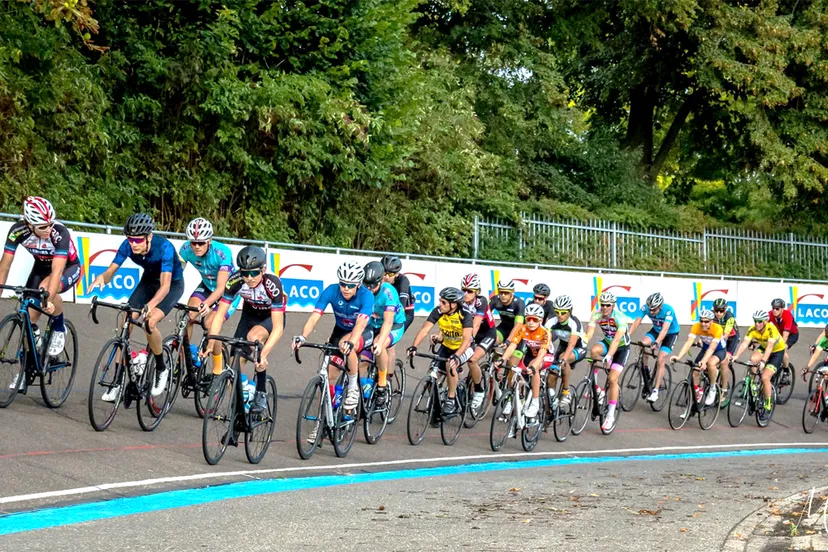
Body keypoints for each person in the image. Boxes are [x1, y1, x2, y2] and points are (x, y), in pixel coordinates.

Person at [89, 213, 184, 400]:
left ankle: (161, 368)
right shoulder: (128, 246)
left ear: (149, 237)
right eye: (130, 239)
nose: (133, 244)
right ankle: (117, 382)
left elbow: (164, 288)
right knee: (127, 321)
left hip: (171, 285)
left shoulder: (164, 247)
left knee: (150, 321)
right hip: (148, 282)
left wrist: (150, 305)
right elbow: (111, 271)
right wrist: (103, 277)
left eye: (138, 240)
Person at [202, 245, 285, 413]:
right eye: (245, 273)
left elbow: (278, 328)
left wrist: (264, 354)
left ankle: (261, 390)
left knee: (254, 337)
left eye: (254, 273)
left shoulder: (272, 284)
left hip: (270, 318)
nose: (249, 278)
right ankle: (237, 415)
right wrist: (211, 343)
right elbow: (219, 315)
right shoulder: (235, 280)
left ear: (263, 270)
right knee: (234, 370)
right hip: (249, 316)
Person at [0, 197, 81, 361]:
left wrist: (48, 301)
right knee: (28, 319)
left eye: (51, 223)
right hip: (40, 267)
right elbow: (5, 266)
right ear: (29, 224)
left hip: (68, 267)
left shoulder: (59, 233)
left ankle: (58, 328)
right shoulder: (18, 231)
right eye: (43, 226)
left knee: (45, 290)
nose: (49, 229)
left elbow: (57, 270)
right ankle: (28, 368)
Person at [293, 262, 374, 411]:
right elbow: (314, 317)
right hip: (340, 330)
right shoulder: (331, 291)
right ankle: (324, 419)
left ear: (359, 284)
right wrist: (302, 336)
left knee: (347, 345)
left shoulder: (366, 296)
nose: (346, 289)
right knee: (329, 375)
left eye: (350, 285)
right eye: (343, 284)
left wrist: (351, 342)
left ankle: (352, 388)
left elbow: (361, 324)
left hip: (362, 332)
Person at [178, 217, 241, 377]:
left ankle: (218, 368)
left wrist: (207, 304)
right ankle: (188, 352)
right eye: (194, 243)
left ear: (210, 240)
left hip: (227, 290)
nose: (197, 247)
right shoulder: (185, 250)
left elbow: (221, 287)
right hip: (206, 286)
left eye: (201, 243)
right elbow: (175, 275)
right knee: (190, 313)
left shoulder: (222, 253)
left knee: (211, 323)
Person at [407, 287, 474, 415]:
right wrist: (414, 346)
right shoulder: (438, 311)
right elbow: (424, 329)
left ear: (453, 304)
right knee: (431, 377)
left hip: (465, 348)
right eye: (440, 301)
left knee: (451, 364)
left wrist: (457, 356)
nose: (440, 304)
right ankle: (438, 405)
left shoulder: (465, 314)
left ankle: (451, 399)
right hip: (447, 346)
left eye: (443, 302)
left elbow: (466, 340)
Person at [583, 291, 631, 432]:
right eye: (602, 305)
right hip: (607, 342)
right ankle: (596, 387)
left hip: (621, 347)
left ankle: (610, 414)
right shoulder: (596, 314)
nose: (604, 308)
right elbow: (590, 333)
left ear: (613, 306)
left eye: (607, 305)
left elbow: (617, 340)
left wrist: (609, 356)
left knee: (612, 379)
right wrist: (583, 340)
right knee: (594, 351)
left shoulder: (620, 318)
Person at [361, 261, 406, 407]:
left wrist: (380, 343)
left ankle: (382, 385)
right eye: (367, 285)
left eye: (373, 285)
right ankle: (363, 387)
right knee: (362, 357)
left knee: (379, 345)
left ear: (381, 281)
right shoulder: (362, 289)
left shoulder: (389, 292)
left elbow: (388, 322)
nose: (370, 289)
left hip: (394, 324)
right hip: (373, 324)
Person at [497, 303, 551, 419]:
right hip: (530, 354)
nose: (531, 322)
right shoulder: (522, 328)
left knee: (533, 367)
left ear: (540, 320)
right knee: (516, 372)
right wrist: (502, 360)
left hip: (546, 356)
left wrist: (533, 366)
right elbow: (512, 346)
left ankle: (535, 403)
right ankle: (518, 399)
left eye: (534, 319)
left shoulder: (545, 332)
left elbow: (542, 353)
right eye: (528, 319)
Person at [731, 310, 785, 421]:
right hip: (764, 347)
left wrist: (764, 362)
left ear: (766, 321)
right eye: (755, 321)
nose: (757, 324)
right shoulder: (752, 329)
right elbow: (744, 344)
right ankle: (753, 387)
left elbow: (770, 347)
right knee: (752, 360)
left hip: (777, 352)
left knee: (765, 377)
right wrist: (736, 356)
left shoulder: (771, 329)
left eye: (760, 322)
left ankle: (768, 404)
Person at [627, 292, 681, 404]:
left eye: (654, 310)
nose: (651, 312)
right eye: (650, 309)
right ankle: (647, 371)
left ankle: (655, 390)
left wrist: (656, 342)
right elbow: (637, 321)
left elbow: (665, 329)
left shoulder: (668, 310)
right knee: (643, 345)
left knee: (661, 359)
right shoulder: (646, 307)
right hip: (656, 330)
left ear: (660, 306)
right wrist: (627, 336)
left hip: (670, 334)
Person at [670, 309, 725, 407]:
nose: (703, 324)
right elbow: (688, 342)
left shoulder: (717, 329)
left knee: (710, 364)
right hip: (705, 349)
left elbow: (712, 348)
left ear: (712, 321)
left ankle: (712, 387)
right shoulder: (696, 327)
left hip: (718, 350)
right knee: (695, 371)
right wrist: (678, 356)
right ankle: (697, 392)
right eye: (701, 321)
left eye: (706, 321)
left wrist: (704, 361)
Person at [544, 294, 587, 409]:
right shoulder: (551, 322)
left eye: (563, 312)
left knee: (563, 359)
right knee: (552, 373)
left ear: (570, 311)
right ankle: (552, 402)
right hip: (563, 345)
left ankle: (566, 392)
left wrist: (562, 360)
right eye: (557, 312)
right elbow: (545, 341)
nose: (559, 315)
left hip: (578, 347)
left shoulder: (574, 323)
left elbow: (572, 344)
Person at [460, 273, 493, 413]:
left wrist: (468, 341)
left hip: (486, 333)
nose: (465, 293)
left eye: (470, 291)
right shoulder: (459, 301)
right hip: (470, 332)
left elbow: (476, 323)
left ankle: (479, 390)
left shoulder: (481, 301)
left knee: (472, 359)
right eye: (463, 290)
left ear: (477, 292)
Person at [712, 297, 739, 398]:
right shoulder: (712, 316)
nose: (718, 313)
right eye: (716, 310)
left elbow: (726, 334)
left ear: (726, 310)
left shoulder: (729, 317)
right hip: (719, 337)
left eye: (721, 311)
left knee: (724, 361)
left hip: (731, 338)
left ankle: (724, 389)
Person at [380, 255, 414, 331]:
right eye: (385, 273)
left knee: (388, 336)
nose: (387, 277)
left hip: (405, 312)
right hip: (386, 309)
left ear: (397, 274)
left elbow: (402, 304)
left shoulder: (403, 281)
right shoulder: (379, 278)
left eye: (391, 274)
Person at [489, 279, 526, 345]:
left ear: (512, 292)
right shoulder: (495, 300)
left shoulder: (519, 303)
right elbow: (484, 315)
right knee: (491, 340)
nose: (503, 295)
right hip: (504, 327)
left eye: (506, 293)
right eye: (501, 292)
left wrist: (508, 341)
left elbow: (518, 325)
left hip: (519, 330)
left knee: (511, 350)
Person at [769, 298, 798, 376]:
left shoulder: (788, 315)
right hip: (779, 334)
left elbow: (785, 336)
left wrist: (778, 346)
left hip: (792, 335)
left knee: (783, 349)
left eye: (777, 308)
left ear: (782, 309)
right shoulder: (770, 314)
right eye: (773, 308)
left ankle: (786, 370)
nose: (774, 310)